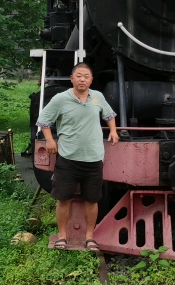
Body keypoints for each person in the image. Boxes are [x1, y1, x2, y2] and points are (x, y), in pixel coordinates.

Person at [37, 61, 119, 250]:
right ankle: (62, 236)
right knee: (64, 198)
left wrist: (113, 131)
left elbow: (109, 115)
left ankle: (90, 237)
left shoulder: (97, 97)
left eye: (86, 76)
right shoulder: (60, 99)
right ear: (72, 78)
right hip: (68, 158)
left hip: (94, 158)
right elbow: (44, 121)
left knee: (92, 200)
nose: (82, 79)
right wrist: (49, 140)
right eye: (79, 76)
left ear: (91, 80)